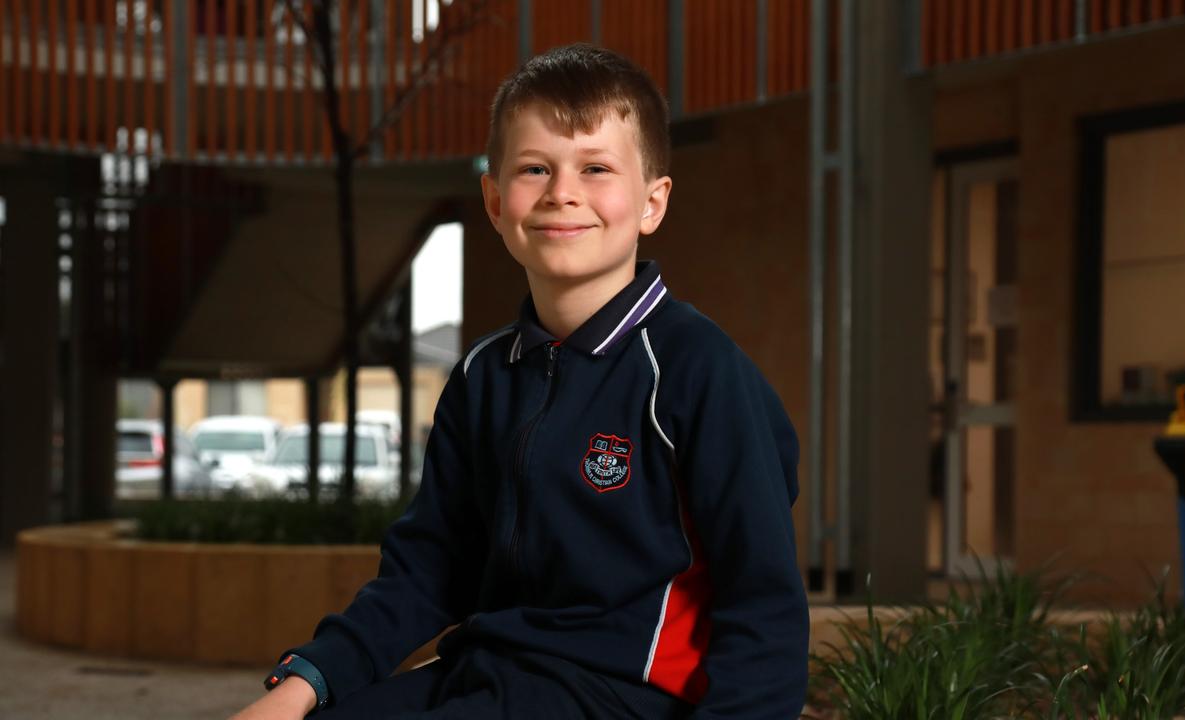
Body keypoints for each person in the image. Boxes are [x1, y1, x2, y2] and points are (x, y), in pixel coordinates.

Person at [230, 43, 808, 720]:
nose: (563, 191)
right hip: (486, 670)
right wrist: (304, 686)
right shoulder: (483, 374)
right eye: (536, 168)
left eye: (596, 168)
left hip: (619, 695)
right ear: (496, 200)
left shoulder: (695, 369)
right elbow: (428, 571)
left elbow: (764, 606)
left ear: (652, 203)